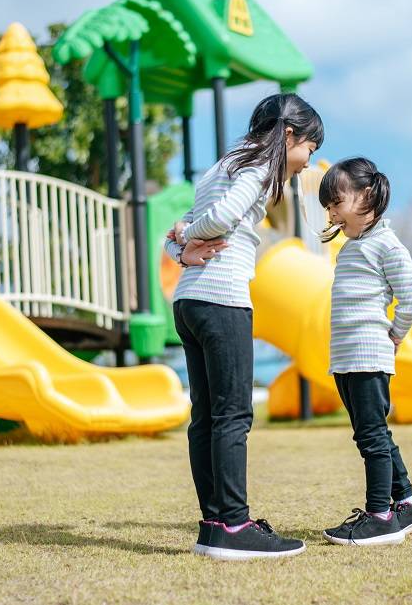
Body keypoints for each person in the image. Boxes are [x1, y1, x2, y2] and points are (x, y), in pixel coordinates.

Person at [165, 93, 323, 560]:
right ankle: (234, 525)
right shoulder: (258, 170)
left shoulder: (221, 166)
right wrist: (188, 237)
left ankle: (214, 524)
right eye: (308, 149)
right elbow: (216, 220)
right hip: (222, 301)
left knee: (206, 417)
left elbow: (186, 227)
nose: (306, 160)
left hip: (190, 301)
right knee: (233, 415)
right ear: (289, 135)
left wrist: (181, 248)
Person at [316, 156, 412, 546]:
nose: (332, 213)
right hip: (347, 357)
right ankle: (409, 503)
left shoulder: (387, 244)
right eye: (329, 206)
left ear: (366, 195)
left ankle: (380, 516)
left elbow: (410, 302)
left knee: (371, 437)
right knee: (372, 434)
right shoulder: (351, 247)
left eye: (337, 202)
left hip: (370, 355)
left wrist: (396, 336)